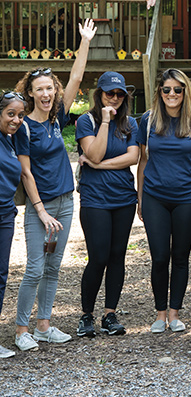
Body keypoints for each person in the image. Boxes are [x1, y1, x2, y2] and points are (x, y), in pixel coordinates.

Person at [13, 19, 97, 352]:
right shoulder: (24, 127)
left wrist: (85, 41)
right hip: (41, 208)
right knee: (34, 267)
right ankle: (22, 330)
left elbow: (76, 76)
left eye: (50, 88)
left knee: (52, 265)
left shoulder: (56, 117)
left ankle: (44, 325)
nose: (46, 94)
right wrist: (40, 211)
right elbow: (26, 174)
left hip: (65, 202)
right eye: (40, 90)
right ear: (30, 94)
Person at [136, 68, 191, 334]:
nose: (172, 94)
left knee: (180, 256)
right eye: (166, 89)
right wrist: (140, 198)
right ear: (159, 92)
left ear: (185, 91)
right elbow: (143, 161)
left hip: (188, 198)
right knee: (159, 256)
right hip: (155, 196)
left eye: (178, 89)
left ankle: (175, 314)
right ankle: (159, 313)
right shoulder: (148, 120)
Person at [75, 71, 139, 337]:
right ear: (99, 94)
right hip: (95, 199)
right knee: (98, 256)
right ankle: (86, 315)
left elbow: (133, 157)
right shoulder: (86, 121)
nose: (114, 98)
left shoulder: (130, 124)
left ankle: (109, 313)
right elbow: (95, 151)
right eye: (109, 93)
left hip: (123, 198)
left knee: (117, 257)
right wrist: (104, 122)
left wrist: (97, 165)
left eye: (119, 94)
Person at [0, 92, 26, 358]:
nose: (16, 120)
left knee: (0, 276)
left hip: (6, 215)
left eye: (20, 115)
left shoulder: (10, 141)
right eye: (11, 114)